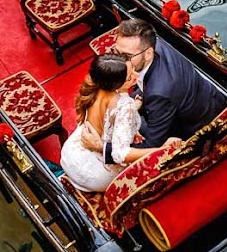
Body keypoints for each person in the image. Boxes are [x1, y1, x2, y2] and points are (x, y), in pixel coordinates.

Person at [81, 18, 227, 160]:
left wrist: (101, 147)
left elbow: (151, 145)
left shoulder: (159, 93)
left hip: (195, 127)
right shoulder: (152, 46)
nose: (120, 62)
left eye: (126, 56)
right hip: (199, 97)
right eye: (117, 52)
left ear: (148, 53)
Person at [59, 55, 177, 192]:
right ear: (116, 85)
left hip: (70, 156)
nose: (136, 75)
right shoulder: (124, 105)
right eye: (130, 77)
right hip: (94, 176)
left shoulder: (95, 86)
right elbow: (120, 154)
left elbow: (109, 114)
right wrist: (161, 150)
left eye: (134, 69)